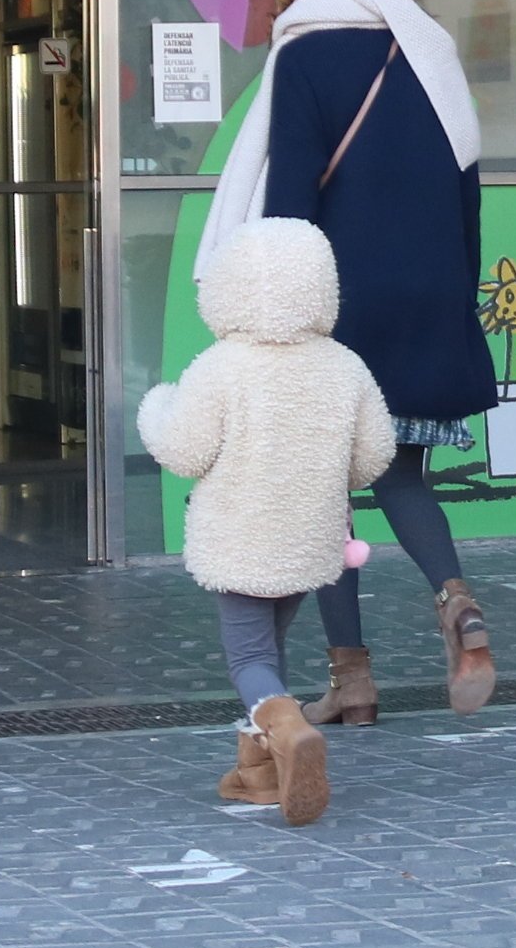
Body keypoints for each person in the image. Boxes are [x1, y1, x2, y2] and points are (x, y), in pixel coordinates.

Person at [202, 0, 497, 722]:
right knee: (402, 473)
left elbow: (293, 202)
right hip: (431, 291)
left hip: (341, 304)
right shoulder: (429, 48)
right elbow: (467, 189)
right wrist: (454, 298)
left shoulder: (306, 51)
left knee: (325, 496)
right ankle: (457, 601)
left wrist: (272, 309)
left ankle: (352, 680)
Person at [137, 217, 397, 828]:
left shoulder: (222, 366)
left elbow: (183, 451)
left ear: (228, 287)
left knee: (249, 656)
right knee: (270, 646)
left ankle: (287, 729)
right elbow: (373, 456)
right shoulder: (344, 366)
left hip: (239, 534)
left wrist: (155, 408)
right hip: (309, 536)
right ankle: (259, 772)